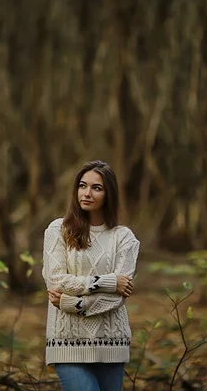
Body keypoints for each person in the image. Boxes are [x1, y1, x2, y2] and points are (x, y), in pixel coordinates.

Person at [42, 160, 141, 391]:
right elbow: (56, 281)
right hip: (67, 342)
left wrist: (70, 303)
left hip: (111, 342)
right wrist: (107, 281)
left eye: (97, 188)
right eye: (82, 185)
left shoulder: (124, 238)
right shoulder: (58, 230)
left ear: (109, 194)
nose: (87, 193)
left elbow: (118, 296)